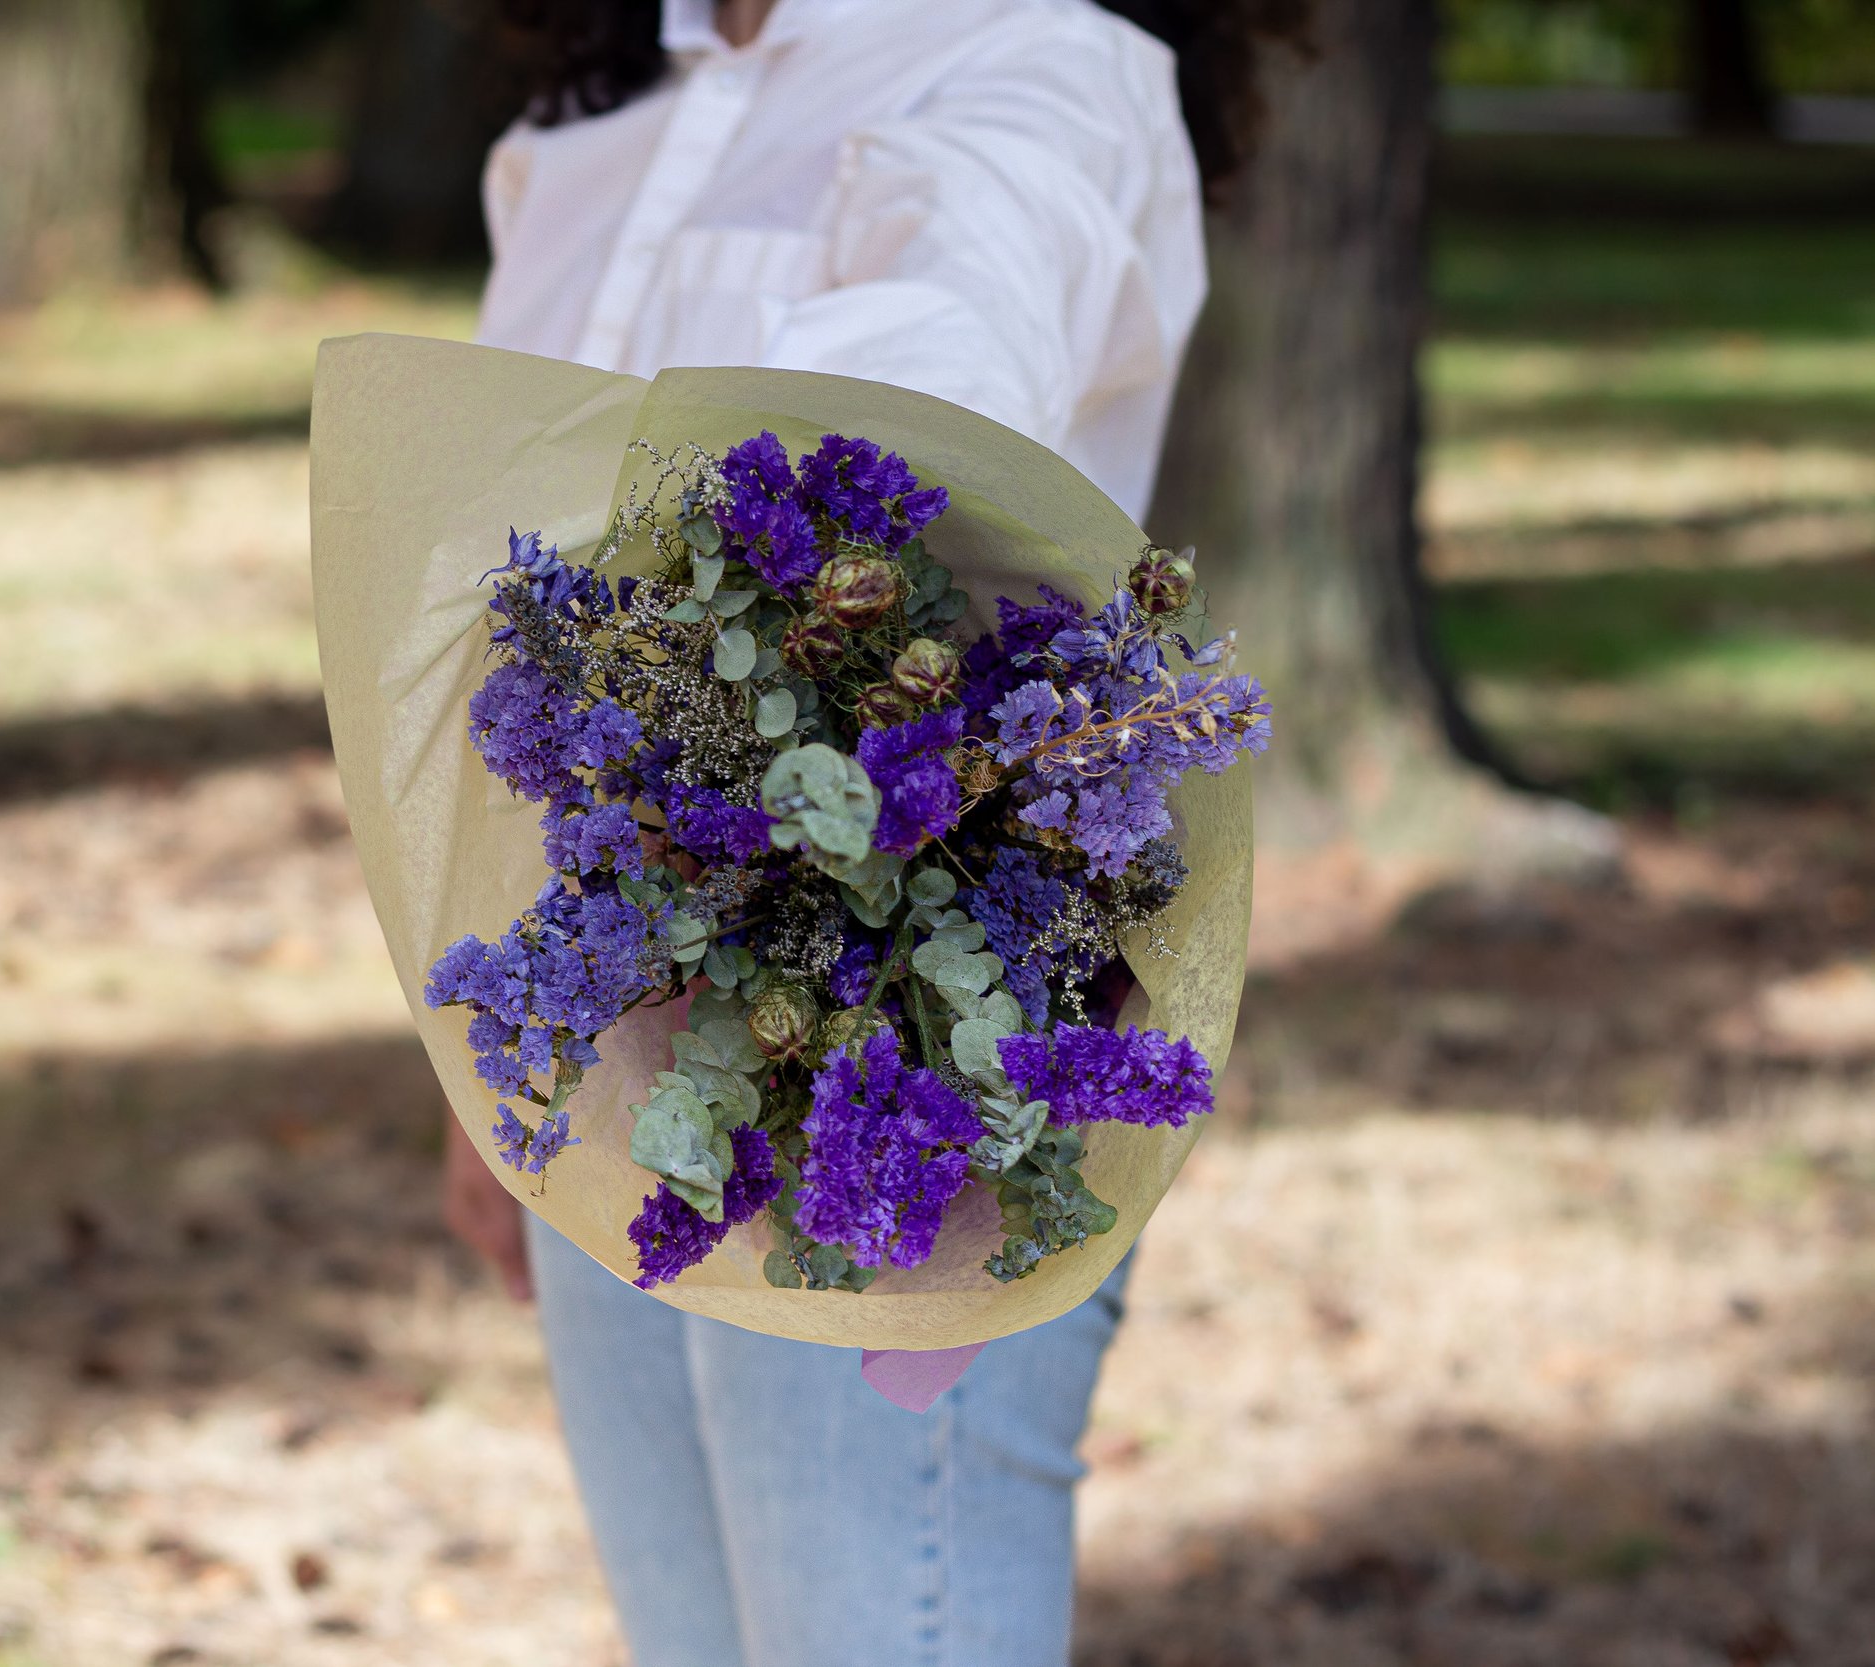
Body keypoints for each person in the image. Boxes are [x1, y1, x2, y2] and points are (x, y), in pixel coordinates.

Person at [450, 2, 1302, 1662]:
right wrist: (482, 1060)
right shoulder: (606, 114)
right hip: (601, 1037)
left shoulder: (1036, 63)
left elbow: (926, 405)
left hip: (884, 1044)